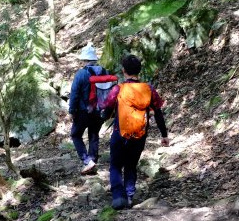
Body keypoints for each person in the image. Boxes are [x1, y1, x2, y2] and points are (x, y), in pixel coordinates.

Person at [99, 54, 170, 210]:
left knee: (116, 165)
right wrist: (164, 135)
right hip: (140, 135)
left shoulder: (118, 89)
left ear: (123, 71)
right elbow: (158, 112)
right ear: (139, 71)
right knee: (131, 165)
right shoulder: (149, 89)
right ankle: (130, 196)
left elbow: (106, 106)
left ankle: (118, 197)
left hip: (120, 133)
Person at [68, 43, 112, 174]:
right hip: (100, 111)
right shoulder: (105, 71)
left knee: (75, 135)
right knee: (94, 135)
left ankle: (88, 161)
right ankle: (93, 160)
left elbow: (74, 94)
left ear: (84, 60)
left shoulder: (81, 74)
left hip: (83, 111)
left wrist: (72, 111)